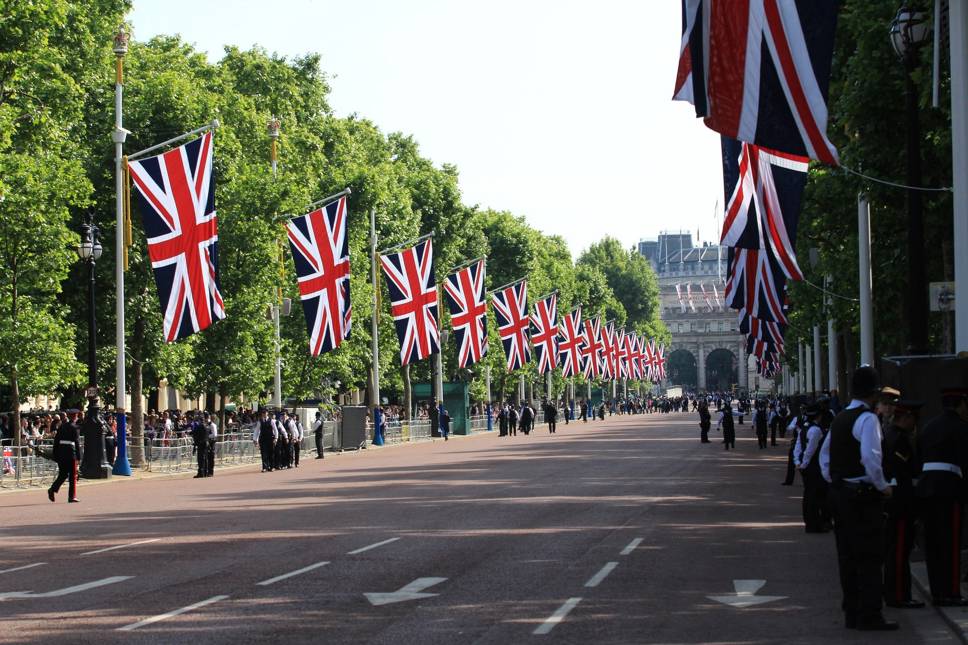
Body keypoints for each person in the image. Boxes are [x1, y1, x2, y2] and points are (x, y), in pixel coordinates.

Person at [820, 366, 897, 631]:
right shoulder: (868, 419)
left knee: (847, 556)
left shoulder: (840, 417)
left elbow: (824, 456)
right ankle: (870, 613)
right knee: (870, 557)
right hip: (863, 496)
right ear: (873, 392)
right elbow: (871, 458)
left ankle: (851, 611)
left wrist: (837, 482)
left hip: (840, 494)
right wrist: (882, 486)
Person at [915, 386, 968, 606]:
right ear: (960, 404)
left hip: (927, 488)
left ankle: (937, 590)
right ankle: (952, 592)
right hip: (950, 489)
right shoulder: (962, 428)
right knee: (951, 543)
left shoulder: (928, 427)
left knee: (934, 542)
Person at [882, 399, 924, 609]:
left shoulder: (890, 434)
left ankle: (896, 592)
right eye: (914, 419)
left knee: (896, 548)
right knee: (899, 549)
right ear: (906, 417)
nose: (915, 423)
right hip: (901, 502)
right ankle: (898, 594)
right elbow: (905, 474)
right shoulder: (900, 439)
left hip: (894, 502)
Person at [798, 403, 830, 533]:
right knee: (815, 496)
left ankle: (811, 523)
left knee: (809, 495)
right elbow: (811, 450)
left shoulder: (805, 428)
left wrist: (799, 462)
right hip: (814, 465)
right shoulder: (816, 430)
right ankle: (814, 524)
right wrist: (804, 464)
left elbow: (799, 447)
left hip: (808, 465)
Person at [47, 410, 81, 503]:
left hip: (61, 453)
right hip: (71, 453)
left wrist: (55, 454)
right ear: (75, 417)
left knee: (63, 474)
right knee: (73, 476)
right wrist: (79, 457)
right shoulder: (75, 427)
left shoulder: (62, 427)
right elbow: (77, 443)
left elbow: (56, 441)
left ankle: (53, 489)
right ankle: (72, 496)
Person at [191, 413, 209, 479]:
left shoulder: (200, 426)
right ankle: (206, 472)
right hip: (206, 443)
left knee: (201, 458)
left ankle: (201, 473)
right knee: (205, 458)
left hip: (201, 443)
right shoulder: (207, 426)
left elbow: (195, 433)